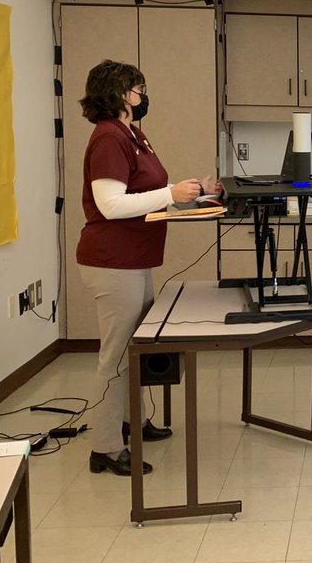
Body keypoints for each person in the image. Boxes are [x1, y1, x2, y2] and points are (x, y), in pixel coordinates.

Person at [76, 60, 220, 476]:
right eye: (139, 88)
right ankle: (104, 447)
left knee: (134, 350)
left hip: (133, 259)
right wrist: (170, 193)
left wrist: (194, 194)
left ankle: (130, 422)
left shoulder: (132, 135)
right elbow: (111, 204)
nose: (144, 95)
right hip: (112, 261)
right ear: (121, 92)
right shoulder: (107, 137)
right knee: (116, 356)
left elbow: (152, 195)